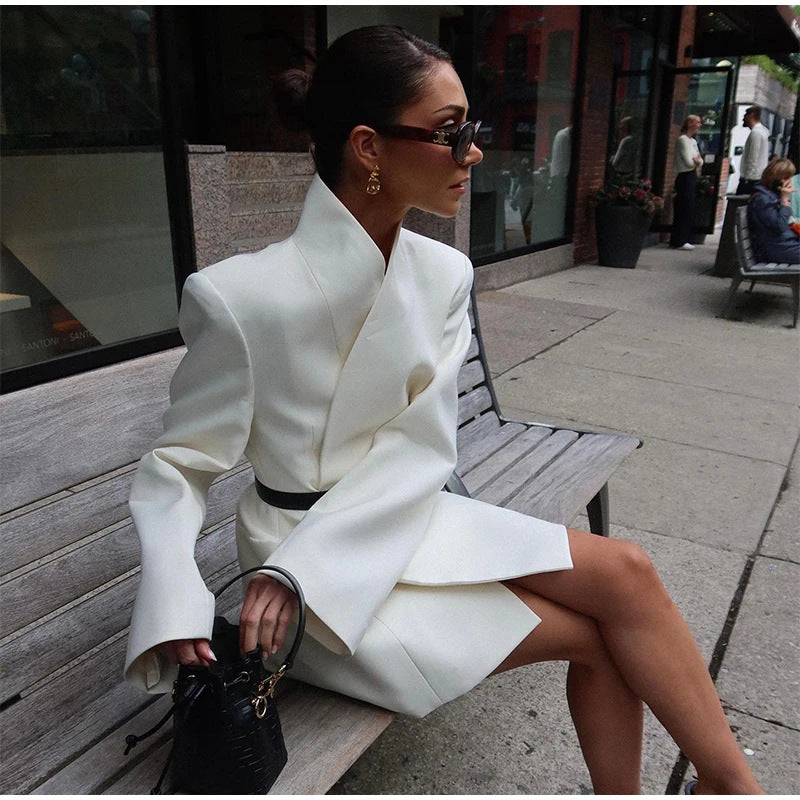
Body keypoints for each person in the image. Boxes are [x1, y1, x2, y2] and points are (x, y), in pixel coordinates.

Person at [123, 26, 763, 795]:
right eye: (451, 132)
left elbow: (421, 445)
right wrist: (177, 596)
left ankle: (731, 785)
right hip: (301, 576)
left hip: (408, 514)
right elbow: (178, 464)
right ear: (368, 147)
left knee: (628, 570)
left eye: (474, 130)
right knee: (601, 636)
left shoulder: (443, 274)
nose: (474, 153)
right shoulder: (240, 297)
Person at [747, 157, 800, 264]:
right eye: (786, 178)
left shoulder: (770, 196)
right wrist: (784, 201)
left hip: (785, 245)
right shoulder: (762, 199)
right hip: (778, 249)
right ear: (775, 179)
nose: (789, 182)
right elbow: (779, 226)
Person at [669, 114, 703, 250]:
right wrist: (696, 160)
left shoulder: (693, 142)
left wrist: (697, 161)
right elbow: (689, 162)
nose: (700, 125)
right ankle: (678, 240)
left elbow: (700, 161)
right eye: (698, 122)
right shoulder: (682, 140)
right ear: (690, 123)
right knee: (683, 208)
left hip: (691, 175)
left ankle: (684, 238)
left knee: (689, 208)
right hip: (684, 176)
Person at [737, 106, 770, 196]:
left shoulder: (756, 133)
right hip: (757, 177)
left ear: (751, 115)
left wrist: (747, 177)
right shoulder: (763, 132)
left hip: (751, 179)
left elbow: (753, 157)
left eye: (745, 115)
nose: (743, 118)